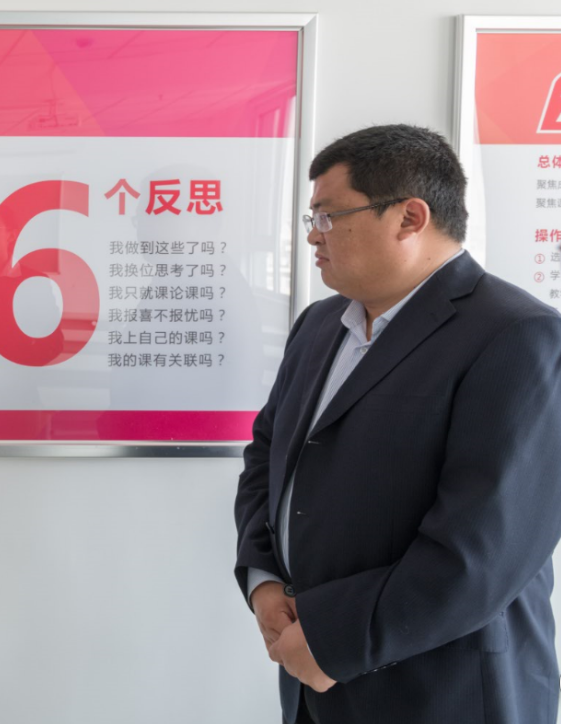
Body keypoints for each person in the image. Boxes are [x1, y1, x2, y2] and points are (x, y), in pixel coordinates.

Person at [234, 124, 561, 724]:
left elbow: (482, 551)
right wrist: (263, 581)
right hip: (312, 677)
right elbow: (267, 457)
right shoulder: (319, 325)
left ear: (410, 217)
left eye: (329, 215)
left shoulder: (518, 335)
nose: (312, 234)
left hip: (443, 689)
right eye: (311, 217)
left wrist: (334, 640)